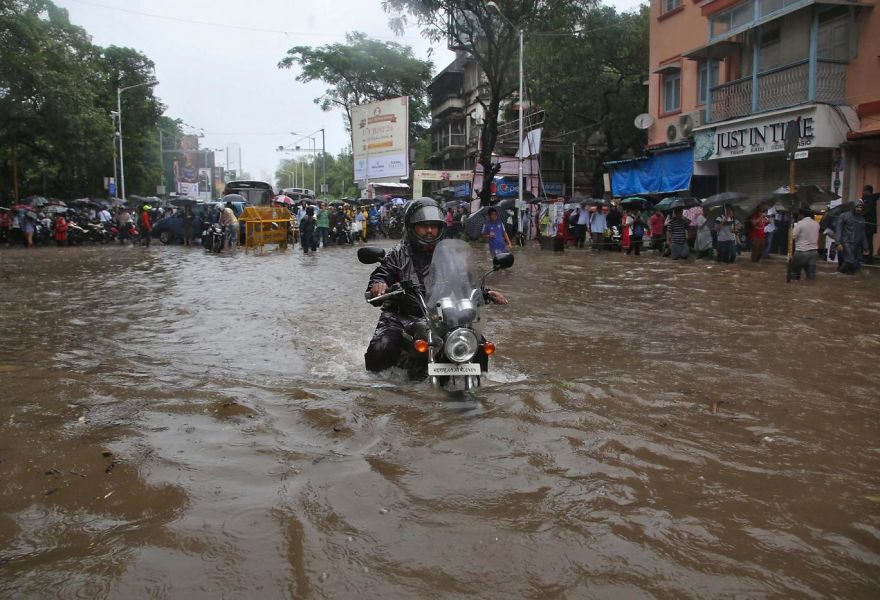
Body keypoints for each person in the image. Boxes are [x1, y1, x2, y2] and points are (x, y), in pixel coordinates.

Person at [364, 198, 507, 373]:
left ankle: (481, 381)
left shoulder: (449, 255)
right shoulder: (397, 254)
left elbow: (465, 282)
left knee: (477, 343)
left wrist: (485, 292)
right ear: (411, 227)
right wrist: (379, 284)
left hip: (439, 317)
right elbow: (382, 273)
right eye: (424, 226)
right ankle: (375, 387)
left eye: (434, 226)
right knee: (382, 346)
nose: (430, 231)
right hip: (400, 318)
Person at [835, 199, 869, 274]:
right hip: (846, 242)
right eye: (857, 207)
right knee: (850, 261)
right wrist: (838, 243)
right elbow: (838, 230)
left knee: (855, 265)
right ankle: (838, 274)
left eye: (861, 207)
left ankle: (846, 277)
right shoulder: (843, 216)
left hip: (857, 244)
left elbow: (863, 234)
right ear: (853, 207)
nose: (859, 209)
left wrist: (866, 247)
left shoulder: (862, 219)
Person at [789, 209, 820, 280]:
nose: (798, 216)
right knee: (811, 276)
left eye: (799, 214)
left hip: (801, 251)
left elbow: (792, 237)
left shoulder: (800, 223)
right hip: (814, 252)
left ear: (802, 215)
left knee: (794, 275)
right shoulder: (816, 224)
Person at [861, 185, 877, 264]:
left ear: (867, 191)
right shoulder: (869, 199)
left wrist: (859, 214)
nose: (863, 192)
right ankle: (866, 258)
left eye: (864, 190)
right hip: (868, 225)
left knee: (868, 242)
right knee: (866, 242)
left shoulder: (869, 199)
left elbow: (865, 211)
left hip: (868, 225)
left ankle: (868, 259)